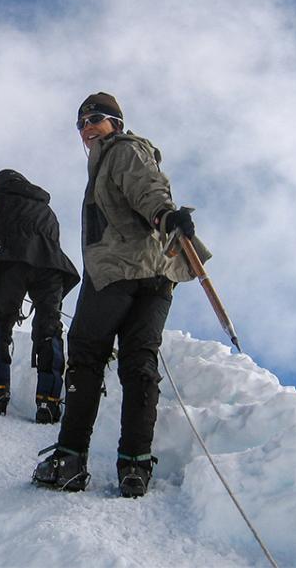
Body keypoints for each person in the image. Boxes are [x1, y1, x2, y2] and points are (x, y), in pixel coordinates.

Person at [32, 92, 210, 497]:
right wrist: (163, 218)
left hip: (117, 270)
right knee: (138, 361)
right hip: (157, 275)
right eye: (81, 124)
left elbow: (147, 189)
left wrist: (164, 214)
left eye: (95, 119)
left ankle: (70, 458)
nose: (87, 128)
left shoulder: (122, 151)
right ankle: (135, 464)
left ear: (115, 122)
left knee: (86, 354)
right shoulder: (118, 156)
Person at [0, 169, 79, 422]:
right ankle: (50, 401)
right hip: (53, 268)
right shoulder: (46, 209)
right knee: (49, 329)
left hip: (13, 262)